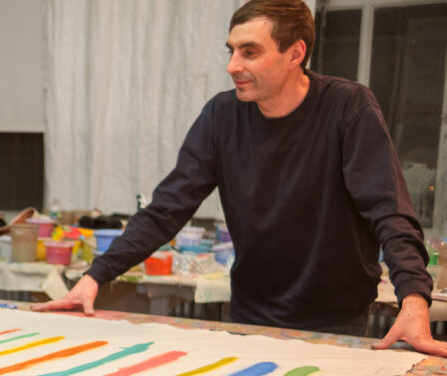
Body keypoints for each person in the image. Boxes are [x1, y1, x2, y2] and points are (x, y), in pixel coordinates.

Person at [35, 0, 447, 357]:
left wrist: (413, 299)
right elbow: (166, 208)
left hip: (337, 320)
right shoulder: (221, 116)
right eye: (231, 50)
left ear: (295, 53)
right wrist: (94, 276)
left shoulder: (347, 108)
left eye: (250, 52)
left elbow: (390, 211)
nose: (233, 66)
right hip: (251, 314)